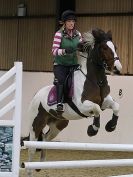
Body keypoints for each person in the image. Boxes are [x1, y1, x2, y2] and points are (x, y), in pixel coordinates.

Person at [52, 10, 82, 112]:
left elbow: (82, 48)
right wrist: (64, 51)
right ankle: (59, 103)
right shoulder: (58, 34)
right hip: (61, 65)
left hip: (74, 64)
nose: (71, 23)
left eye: (73, 21)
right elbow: (54, 51)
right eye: (69, 21)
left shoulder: (78, 34)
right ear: (64, 23)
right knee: (61, 81)